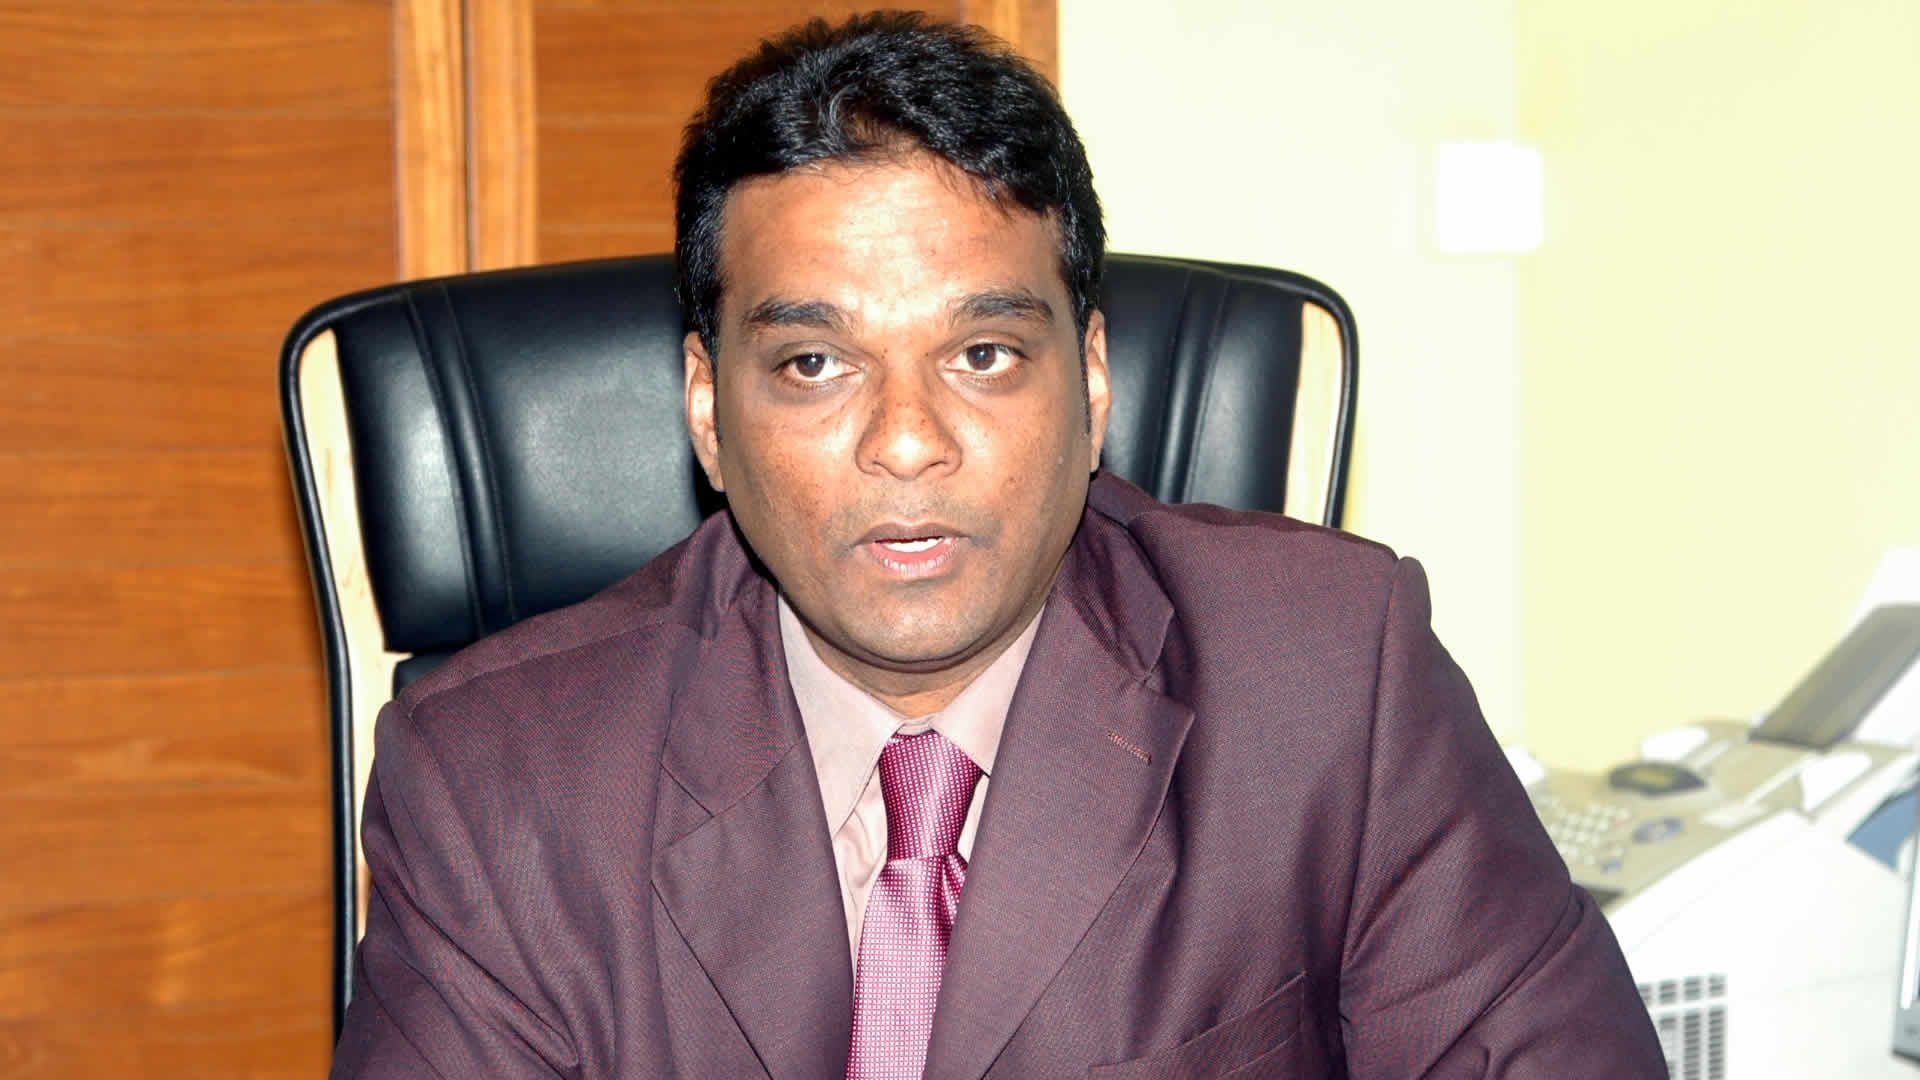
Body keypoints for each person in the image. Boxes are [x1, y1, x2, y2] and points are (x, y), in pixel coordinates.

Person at [331, 11, 1666, 1078]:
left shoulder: (1327, 681)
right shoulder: (501, 778)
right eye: (813, 364)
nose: (908, 441)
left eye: (981, 353)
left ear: (1091, 380)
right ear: (706, 410)